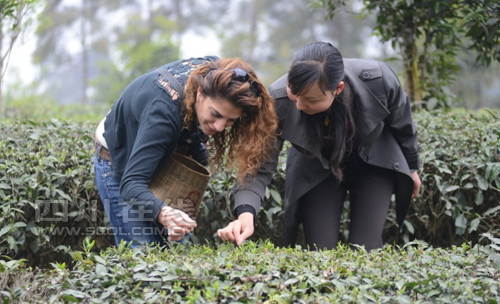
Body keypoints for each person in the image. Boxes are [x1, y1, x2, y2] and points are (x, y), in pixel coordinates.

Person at [218, 42, 422, 250]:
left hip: (373, 161)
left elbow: (403, 124)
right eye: (293, 93)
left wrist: (412, 167)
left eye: (310, 100)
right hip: (316, 166)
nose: (298, 105)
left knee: (367, 247)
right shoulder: (277, 99)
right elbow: (259, 163)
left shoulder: (378, 79)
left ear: (338, 89)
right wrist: (246, 212)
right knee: (319, 248)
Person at [94, 56, 277, 247]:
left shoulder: (216, 74)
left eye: (230, 121)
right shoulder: (162, 112)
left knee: (178, 246)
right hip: (118, 157)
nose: (220, 126)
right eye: (215, 114)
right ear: (199, 94)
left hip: (166, 149)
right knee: (143, 250)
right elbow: (131, 184)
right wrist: (164, 213)